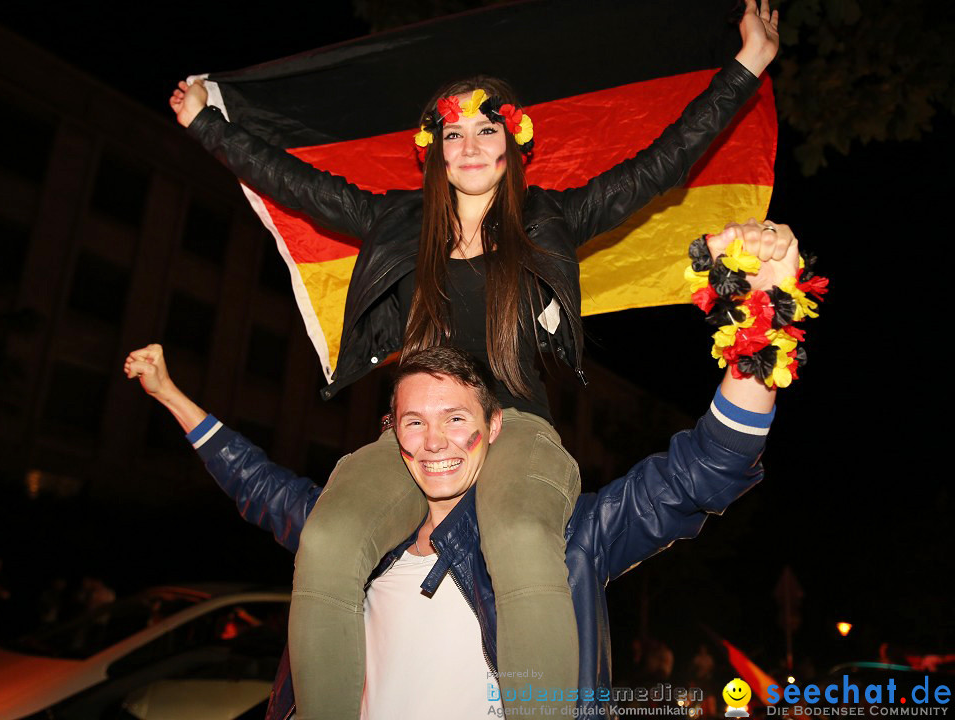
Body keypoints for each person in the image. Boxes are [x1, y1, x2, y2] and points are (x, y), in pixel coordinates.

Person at [169, 5, 780, 715]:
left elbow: (660, 164)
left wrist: (746, 69)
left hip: (513, 424)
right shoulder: (394, 222)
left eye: (487, 130)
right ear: (433, 150)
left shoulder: (551, 220)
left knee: (522, 535)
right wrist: (205, 124)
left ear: (513, 145)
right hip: (420, 432)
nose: (469, 145)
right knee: (329, 538)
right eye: (453, 133)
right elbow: (291, 179)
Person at [124, 219, 798, 718]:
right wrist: (170, 396)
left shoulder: (567, 542)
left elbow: (707, 469)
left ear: (494, 428)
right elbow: (254, 484)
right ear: (391, 433)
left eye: (455, 418)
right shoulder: (352, 536)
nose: (434, 441)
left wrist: (765, 316)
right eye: (412, 420)